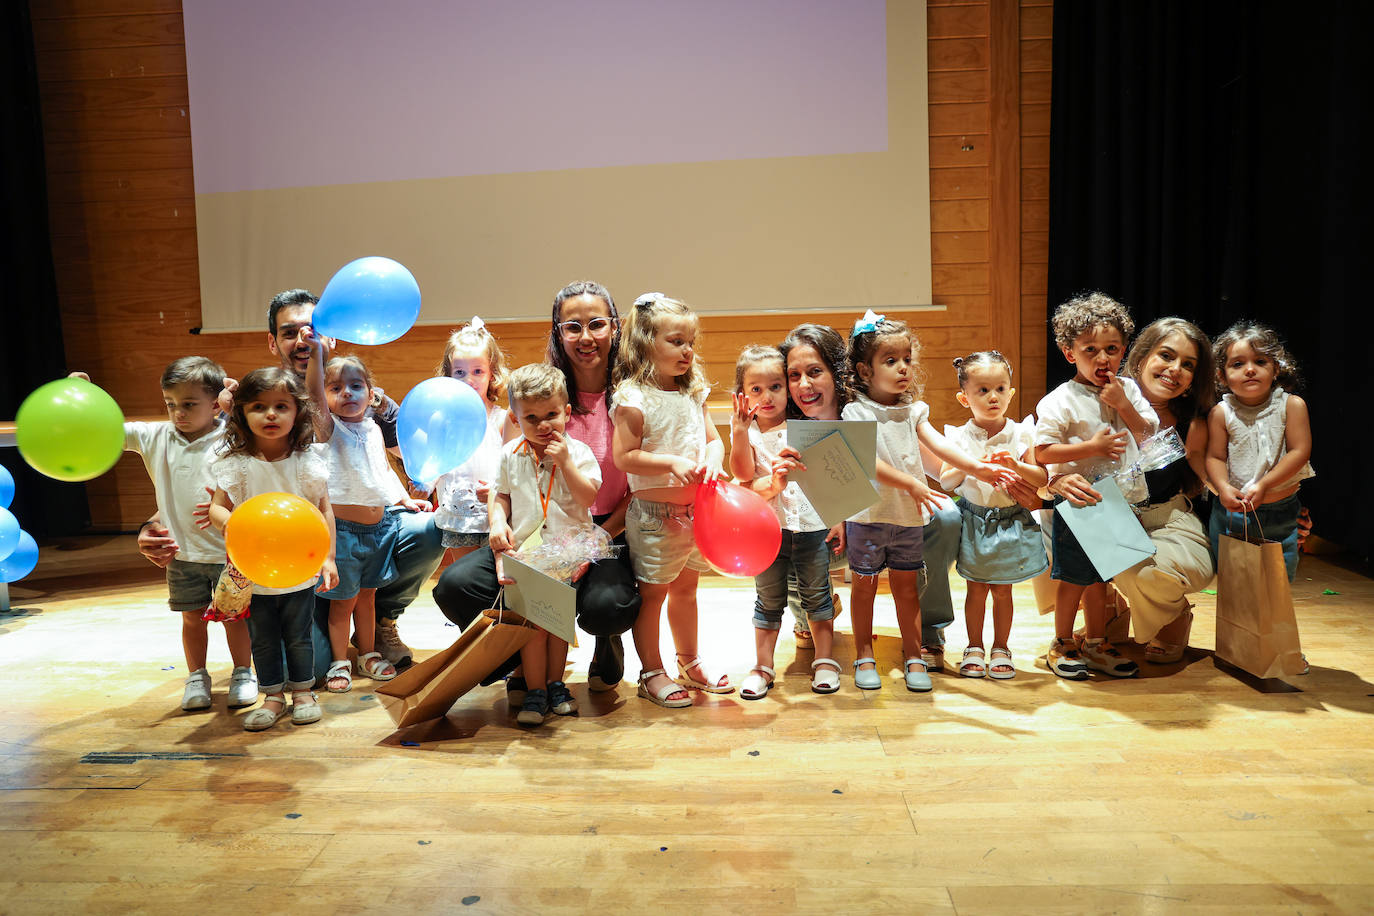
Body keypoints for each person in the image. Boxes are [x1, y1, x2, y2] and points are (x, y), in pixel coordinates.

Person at [842, 311, 1016, 693]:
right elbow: (866, 461)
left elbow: (940, 445)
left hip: (907, 518)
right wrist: (912, 484)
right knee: (864, 587)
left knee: (907, 589)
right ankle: (864, 654)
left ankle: (914, 654)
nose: (903, 367)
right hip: (868, 516)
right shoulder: (856, 411)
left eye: (906, 359)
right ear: (865, 370)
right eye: (890, 360)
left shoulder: (914, 411)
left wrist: (977, 467)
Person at [266, 289, 441, 667]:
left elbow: (390, 457)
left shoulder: (369, 405)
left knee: (428, 528)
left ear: (331, 336)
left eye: (313, 331)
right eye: (290, 333)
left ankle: (380, 623)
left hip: (367, 529)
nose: (303, 340)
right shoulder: (264, 401)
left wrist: (410, 490)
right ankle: (311, 626)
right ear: (273, 342)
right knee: (307, 667)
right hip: (301, 539)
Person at [98, 358, 257, 712]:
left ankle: (243, 673)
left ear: (214, 405)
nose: (178, 413)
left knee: (235, 619)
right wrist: (85, 392)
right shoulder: (155, 436)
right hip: (181, 554)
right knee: (190, 618)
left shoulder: (233, 437)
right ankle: (197, 676)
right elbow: (105, 429)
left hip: (229, 554)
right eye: (170, 403)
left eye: (189, 404)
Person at [201, 368, 338, 731]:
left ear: (297, 412)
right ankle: (273, 696)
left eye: (281, 406)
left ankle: (304, 693)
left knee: (299, 635)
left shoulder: (308, 461)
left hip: (299, 571)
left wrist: (328, 558)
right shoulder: (236, 464)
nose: (271, 414)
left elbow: (324, 510)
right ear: (242, 413)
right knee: (262, 638)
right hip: (253, 570)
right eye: (259, 407)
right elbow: (217, 507)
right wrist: (231, 523)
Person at [1073, 317, 1216, 663]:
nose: (1175, 369)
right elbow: (1054, 456)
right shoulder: (1093, 403)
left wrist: (1281, 507)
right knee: (1054, 528)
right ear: (1140, 358)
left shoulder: (1194, 423)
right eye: (1166, 355)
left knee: (1145, 572)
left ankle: (1174, 616)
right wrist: (1055, 480)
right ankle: (1110, 612)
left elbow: (1215, 478)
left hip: (1169, 524)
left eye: (1188, 365)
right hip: (1109, 518)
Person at [611, 292, 728, 707]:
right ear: (646, 344)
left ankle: (689, 661)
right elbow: (624, 456)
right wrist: (671, 462)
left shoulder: (692, 391)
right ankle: (651, 671)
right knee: (653, 596)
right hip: (654, 518)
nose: (687, 350)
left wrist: (713, 459)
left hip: (696, 513)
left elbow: (713, 441)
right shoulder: (633, 397)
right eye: (676, 342)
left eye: (690, 342)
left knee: (686, 591)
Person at [1033, 292, 1157, 680]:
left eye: (1112, 349)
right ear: (1070, 353)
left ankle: (1096, 642)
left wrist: (1123, 405)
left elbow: (1149, 435)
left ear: (1123, 351)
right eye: (1090, 350)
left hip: (1118, 501)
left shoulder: (1129, 390)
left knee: (1102, 576)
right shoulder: (1060, 400)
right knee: (1074, 577)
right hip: (1079, 503)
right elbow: (1042, 452)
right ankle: (1062, 642)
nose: (1103, 358)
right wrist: (1092, 448)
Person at [305, 339, 431, 692]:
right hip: (343, 533)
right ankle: (339, 660)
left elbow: (382, 471)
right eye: (335, 388)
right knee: (342, 604)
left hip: (379, 530)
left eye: (356, 386)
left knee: (368, 597)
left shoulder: (374, 429)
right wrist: (317, 354)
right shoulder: (329, 429)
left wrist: (403, 498)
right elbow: (312, 394)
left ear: (371, 394)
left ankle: (368, 653)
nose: (347, 393)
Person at [488, 364, 602, 726]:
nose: (543, 426)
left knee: (556, 624)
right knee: (532, 628)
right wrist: (497, 522)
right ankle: (535, 691)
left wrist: (565, 463)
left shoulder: (578, 453)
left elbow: (587, 498)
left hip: (568, 555)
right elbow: (499, 495)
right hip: (527, 555)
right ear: (515, 419)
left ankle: (556, 685)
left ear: (566, 412)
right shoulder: (510, 454)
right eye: (531, 418)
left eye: (551, 415)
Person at [729, 345, 844, 698]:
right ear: (742, 394)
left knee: (817, 596)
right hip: (768, 532)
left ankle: (825, 661)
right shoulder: (748, 432)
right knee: (767, 600)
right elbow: (742, 473)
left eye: (775, 387)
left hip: (811, 528)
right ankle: (762, 667)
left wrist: (837, 518)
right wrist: (738, 432)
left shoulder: (806, 426)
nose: (767, 397)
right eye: (756, 389)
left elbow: (830, 477)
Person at [543, 281, 639, 692]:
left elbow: (643, 485)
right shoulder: (545, 394)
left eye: (596, 324)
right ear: (558, 333)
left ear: (615, 327)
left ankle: (606, 637)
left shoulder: (634, 395)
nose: (585, 337)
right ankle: (524, 661)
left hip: (614, 528)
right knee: (461, 585)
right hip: (554, 526)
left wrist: (600, 536)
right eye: (573, 327)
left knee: (607, 606)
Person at [939, 351, 1048, 679]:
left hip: (1011, 519)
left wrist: (1016, 465)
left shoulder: (1021, 433)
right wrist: (973, 466)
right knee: (976, 589)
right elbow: (946, 481)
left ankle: (1001, 647)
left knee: (1003, 590)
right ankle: (973, 646)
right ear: (964, 398)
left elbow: (1041, 478)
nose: (993, 397)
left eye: (1000, 389)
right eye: (983, 390)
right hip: (975, 521)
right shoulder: (959, 437)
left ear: (1011, 392)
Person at [1206, 321, 1314, 582]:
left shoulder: (1291, 405)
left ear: (1276, 368)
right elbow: (1215, 457)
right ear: (1222, 376)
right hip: (1234, 513)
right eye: (1237, 364)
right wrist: (1223, 487)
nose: (1250, 369)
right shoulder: (1221, 412)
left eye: (1260, 361)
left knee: (1276, 584)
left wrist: (1265, 484)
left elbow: (1300, 452)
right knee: (1235, 584)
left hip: (1281, 512)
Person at [428, 317, 516, 563]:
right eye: (460, 372)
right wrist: (425, 483)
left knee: (496, 571)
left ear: (492, 374)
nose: (469, 379)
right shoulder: (443, 420)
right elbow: (436, 460)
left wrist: (498, 488)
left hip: (496, 513)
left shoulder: (501, 419)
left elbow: (513, 466)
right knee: (465, 573)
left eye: (478, 371)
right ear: (448, 375)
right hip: (458, 515)